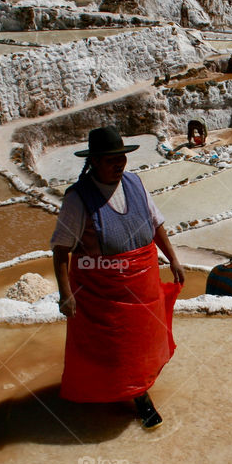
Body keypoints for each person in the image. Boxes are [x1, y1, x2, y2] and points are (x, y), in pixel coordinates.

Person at [51, 126, 185, 430]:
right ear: (94, 161)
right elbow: (61, 251)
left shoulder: (135, 184)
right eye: (111, 159)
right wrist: (65, 293)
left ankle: (137, 391)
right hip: (102, 290)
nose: (119, 164)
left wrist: (173, 259)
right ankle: (132, 396)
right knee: (112, 346)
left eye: (121, 158)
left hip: (142, 283)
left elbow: (156, 224)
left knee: (141, 345)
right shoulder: (78, 199)